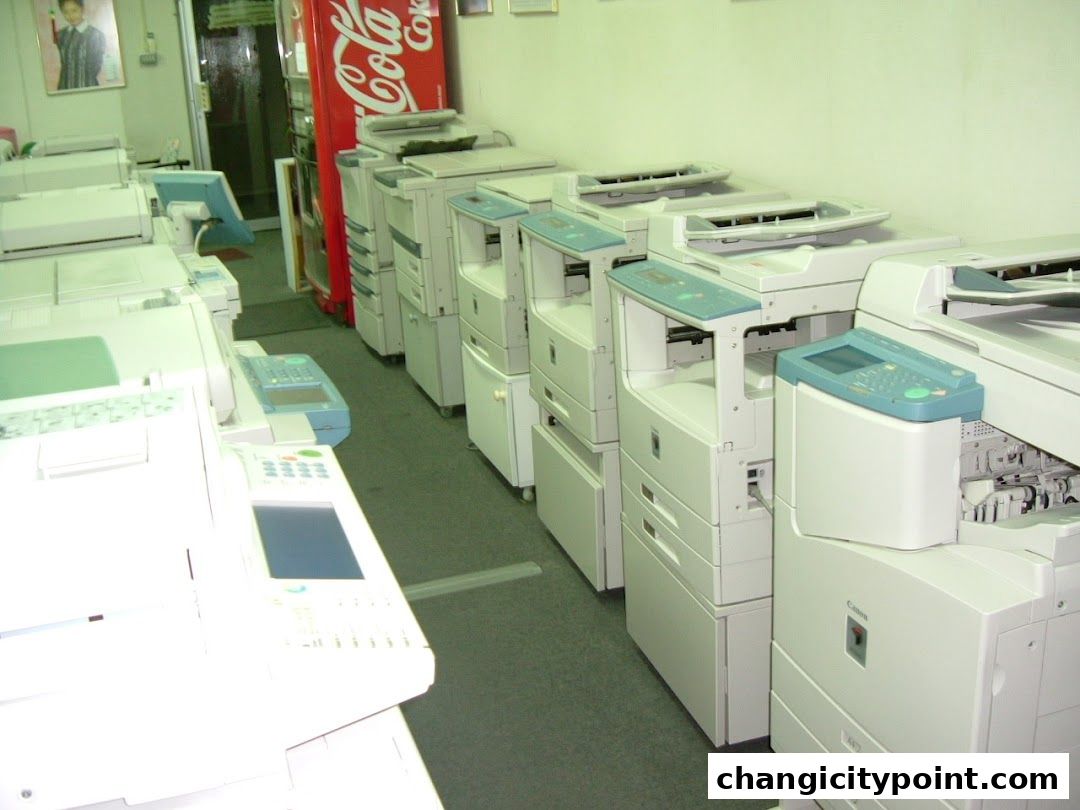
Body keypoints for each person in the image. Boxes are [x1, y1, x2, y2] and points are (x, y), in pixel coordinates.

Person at [56, 0, 106, 91]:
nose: (70, 16)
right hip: (64, 89)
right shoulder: (61, 35)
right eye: (66, 12)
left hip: (88, 88)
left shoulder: (95, 35)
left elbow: (97, 66)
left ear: (82, 9)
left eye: (74, 10)